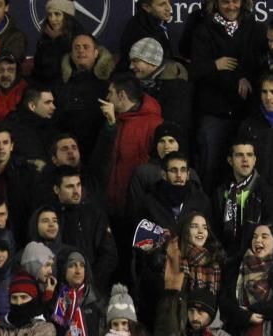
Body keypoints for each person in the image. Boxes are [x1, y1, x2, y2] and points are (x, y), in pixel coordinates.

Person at [188, 0, 266, 192]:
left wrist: (246, 78)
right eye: (225, 2)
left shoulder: (255, 27)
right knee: (210, 168)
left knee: (246, 170)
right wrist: (214, 65)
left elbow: (261, 64)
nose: (231, 6)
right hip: (214, 113)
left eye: (235, 1)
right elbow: (195, 70)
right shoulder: (203, 29)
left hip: (246, 112)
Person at [91, 73, 164, 224]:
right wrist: (110, 125)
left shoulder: (154, 124)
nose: (107, 97)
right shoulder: (111, 120)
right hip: (109, 207)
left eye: (111, 92)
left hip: (136, 210)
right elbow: (100, 159)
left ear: (122, 95)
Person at [50, 166, 118, 294]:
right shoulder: (48, 216)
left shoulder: (94, 215)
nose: (76, 191)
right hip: (55, 290)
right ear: (56, 189)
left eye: (78, 185)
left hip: (90, 291)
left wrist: (89, 283)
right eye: (69, 187)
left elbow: (109, 255)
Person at [217, 140, 273, 257]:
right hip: (225, 258)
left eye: (249, 155)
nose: (245, 159)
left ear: (255, 160)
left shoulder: (267, 192)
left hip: (255, 260)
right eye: (239, 155)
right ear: (230, 160)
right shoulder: (221, 191)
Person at [54, 34, 115, 158]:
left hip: (99, 152)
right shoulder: (60, 84)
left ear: (96, 53)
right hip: (67, 153)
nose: (80, 50)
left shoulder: (109, 85)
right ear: (71, 54)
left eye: (86, 47)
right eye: (76, 47)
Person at [128, 38, 192, 137]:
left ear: (152, 61)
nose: (131, 66)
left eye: (135, 61)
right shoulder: (139, 84)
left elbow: (173, 127)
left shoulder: (176, 87)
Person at [5, 87, 60, 170]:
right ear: (32, 106)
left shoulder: (51, 127)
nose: (53, 107)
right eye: (47, 102)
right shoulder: (12, 129)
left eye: (52, 102)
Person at [31, 0, 82, 87]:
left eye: (57, 14)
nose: (52, 19)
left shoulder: (80, 39)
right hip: (47, 91)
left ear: (67, 16)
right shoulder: (44, 40)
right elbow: (37, 72)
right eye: (50, 15)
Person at [117, 0, 174, 74]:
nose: (169, 8)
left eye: (169, 2)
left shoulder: (156, 23)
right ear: (146, 7)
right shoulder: (139, 30)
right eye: (162, 4)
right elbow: (141, 71)